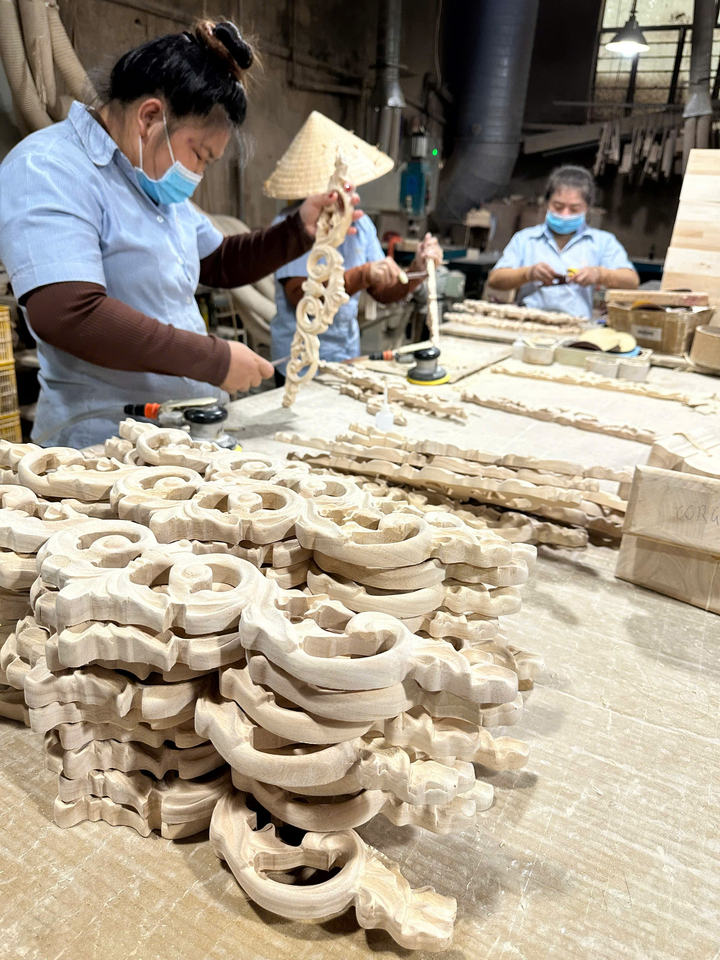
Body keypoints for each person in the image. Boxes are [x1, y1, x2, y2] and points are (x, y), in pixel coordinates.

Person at [0, 20, 361, 448]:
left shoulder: (151, 182)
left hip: (181, 435)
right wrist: (214, 359)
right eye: (200, 154)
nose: (198, 173)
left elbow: (220, 260)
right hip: (101, 446)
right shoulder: (48, 168)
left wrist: (299, 229)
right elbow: (69, 313)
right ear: (150, 117)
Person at [262, 111, 442, 382]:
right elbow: (301, 297)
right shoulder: (291, 226)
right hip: (298, 360)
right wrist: (362, 275)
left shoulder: (361, 225)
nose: (349, 193)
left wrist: (418, 269)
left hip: (345, 354)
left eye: (349, 184)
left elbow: (384, 292)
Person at [487, 165, 639, 318]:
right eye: (558, 207)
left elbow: (631, 281)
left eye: (574, 209)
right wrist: (528, 273)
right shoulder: (525, 239)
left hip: (577, 323)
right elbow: (495, 279)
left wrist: (599, 274)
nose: (565, 214)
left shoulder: (602, 242)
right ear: (547, 203)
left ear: (587, 208)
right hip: (528, 321)